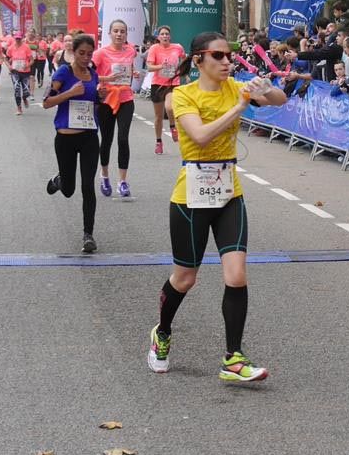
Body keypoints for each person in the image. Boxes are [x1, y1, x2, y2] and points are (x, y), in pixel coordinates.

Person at [149, 31, 288, 380]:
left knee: (237, 274)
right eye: (219, 56)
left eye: (231, 56)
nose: (228, 62)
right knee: (185, 278)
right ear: (199, 60)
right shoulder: (182, 96)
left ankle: (233, 358)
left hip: (228, 192)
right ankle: (162, 333)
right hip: (190, 196)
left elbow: (281, 100)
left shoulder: (236, 88)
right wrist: (241, 106)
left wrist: (264, 88)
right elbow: (200, 136)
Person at [43, 34, 102, 254]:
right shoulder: (64, 72)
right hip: (66, 137)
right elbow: (47, 102)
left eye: (89, 53)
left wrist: (100, 98)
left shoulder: (93, 74)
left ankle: (88, 234)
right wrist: (70, 92)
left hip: (89, 137)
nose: (86, 57)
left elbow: (93, 105)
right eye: (81, 53)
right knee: (69, 190)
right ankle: (59, 180)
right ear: (74, 52)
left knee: (88, 186)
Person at [93, 19, 141, 198]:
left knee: (123, 139)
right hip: (107, 99)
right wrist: (107, 78)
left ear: (126, 34)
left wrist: (133, 73)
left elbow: (129, 67)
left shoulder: (130, 50)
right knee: (106, 140)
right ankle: (104, 175)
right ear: (109, 33)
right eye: (116, 31)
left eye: (122, 31)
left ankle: (122, 181)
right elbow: (90, 75)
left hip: (126, 98)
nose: (119, 34)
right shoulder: (100, 54)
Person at [146, 25, 186, 155]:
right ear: (158, 37)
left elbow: (184, 60)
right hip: (158, 84)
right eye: (162, 34)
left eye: (166, 34)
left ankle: (173, 127)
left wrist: (183, 72)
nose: (164, 36)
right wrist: (160, 66)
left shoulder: (178, 47)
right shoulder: (154, 49)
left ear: (170, 36)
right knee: (158, 117)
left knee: (170, 107)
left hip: (173, 83)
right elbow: (149, 67)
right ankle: (159, 142)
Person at [7, 33, 34, 115]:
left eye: (19, 39)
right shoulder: (11, 47)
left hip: (25, 72)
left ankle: (24, 98)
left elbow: (32, 60)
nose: (18, 40)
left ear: (22, 38)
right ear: (14, 39)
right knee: (17, 89)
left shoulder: (26, 47)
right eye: (16, 39)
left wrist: (27, 65)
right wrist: (9, 66)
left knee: (26, 91)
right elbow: (5, 58)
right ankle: (19, 108)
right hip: (15, 71)